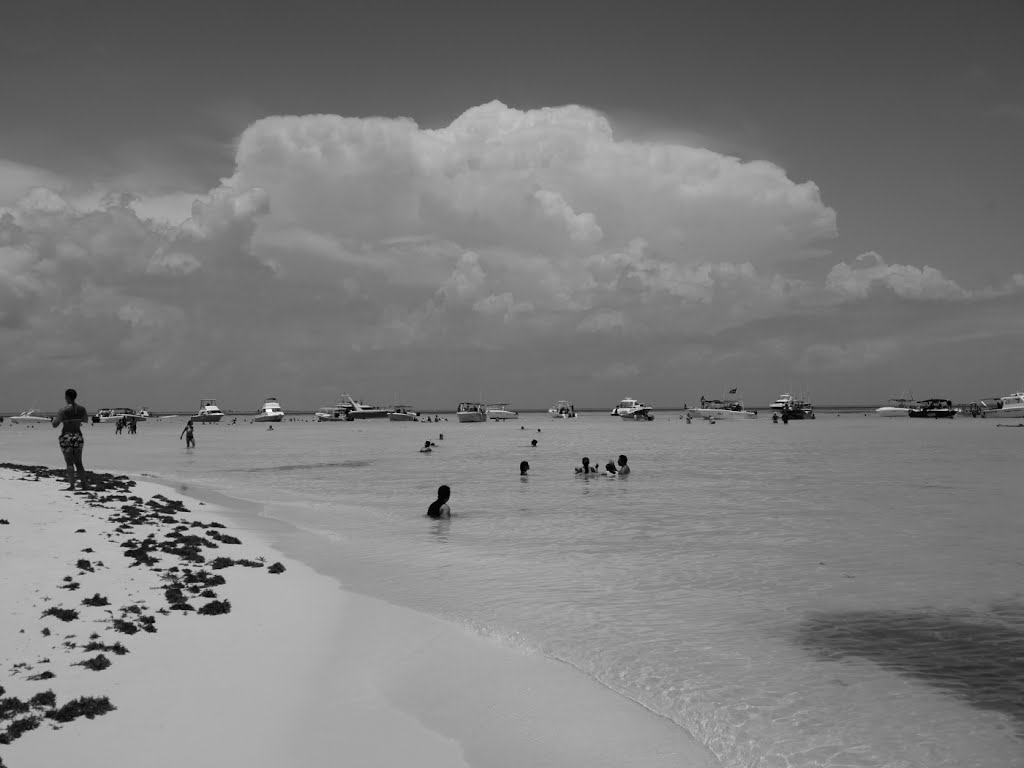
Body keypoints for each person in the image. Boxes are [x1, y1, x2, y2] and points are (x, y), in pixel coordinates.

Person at [52, 388, 88, 490]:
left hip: (66, 436)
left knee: (69, 462)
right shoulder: (82, 409)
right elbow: (85, 420)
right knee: (79, 462)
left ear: (67, 397)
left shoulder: (63, 410)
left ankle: (72, 486)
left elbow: (55, 424)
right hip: (78, 436)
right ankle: (84, 485)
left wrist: (62, 418)